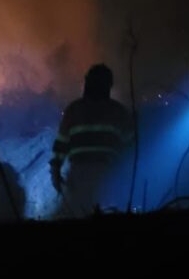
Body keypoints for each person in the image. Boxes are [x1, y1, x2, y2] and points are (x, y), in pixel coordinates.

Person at [50, 64, 134, 215]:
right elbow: (130, 148)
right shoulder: (119, 112)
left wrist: (55, 171)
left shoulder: (73, 110)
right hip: (109, 176)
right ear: (109, 85)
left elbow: (61, 145)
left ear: (87, 82)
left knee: (78, 213)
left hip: (82, 176)